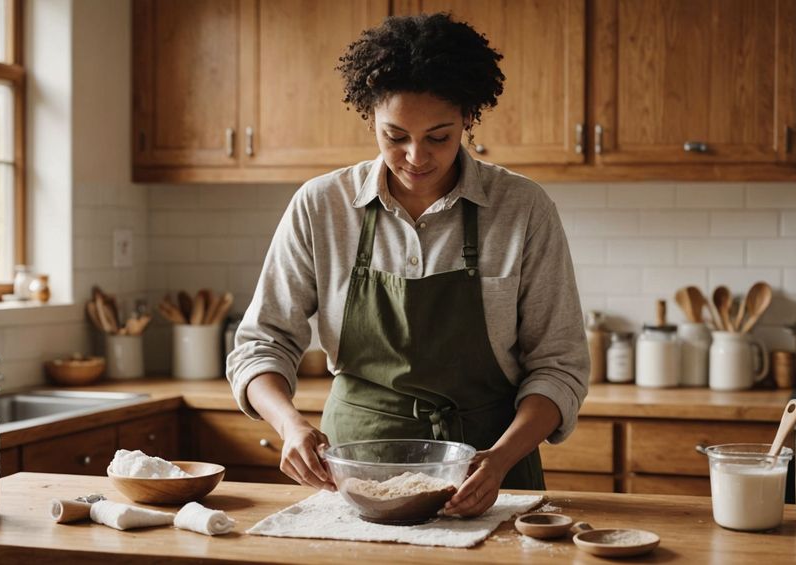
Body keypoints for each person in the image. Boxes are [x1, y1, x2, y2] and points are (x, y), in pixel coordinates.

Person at [226, 12, 588, 518]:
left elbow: (559, 365)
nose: (416, 156)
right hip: (353, 475)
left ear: (468, 118)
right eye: (395, 135)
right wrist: (290, 424)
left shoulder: (522, 209)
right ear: (370, 118)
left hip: (487, 474)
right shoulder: (321, 205)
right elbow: (262, 342)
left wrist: (502, 459)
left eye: (439, 137)